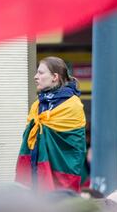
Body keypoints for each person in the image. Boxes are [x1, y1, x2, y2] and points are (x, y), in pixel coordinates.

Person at [16, 57, 87, 192]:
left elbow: (74, 148)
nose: (35, 77)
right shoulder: (37, 105)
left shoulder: (73, 105)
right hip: (35, 175)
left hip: (60, 177)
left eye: (41, 73)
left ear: (55, 77)